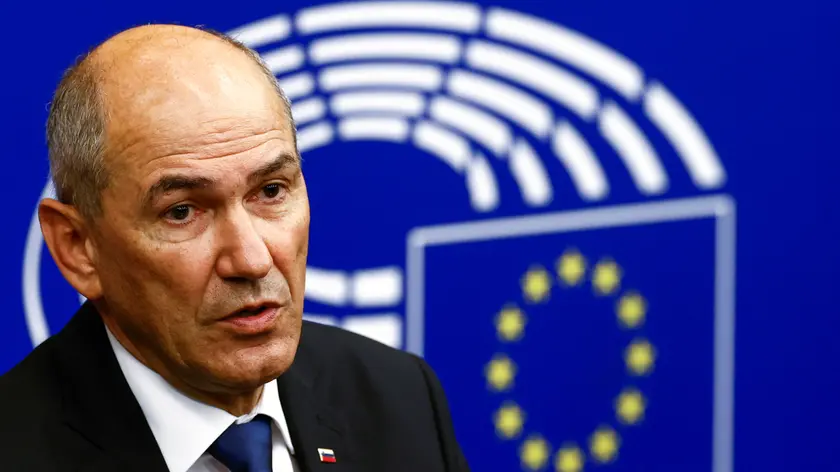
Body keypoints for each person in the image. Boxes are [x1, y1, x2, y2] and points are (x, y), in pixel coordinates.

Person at [0, 24, 469, 472]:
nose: (252, 259)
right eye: (182, 211)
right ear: (78, 246)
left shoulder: (397, 398)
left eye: (270, 191)